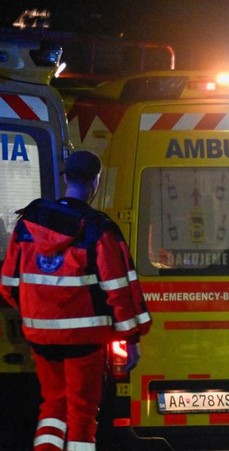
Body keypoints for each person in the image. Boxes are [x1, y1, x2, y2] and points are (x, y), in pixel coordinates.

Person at [0, 151, 151, 451]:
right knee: (82, 414)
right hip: (85, 342)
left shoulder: (28, 224)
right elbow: (119, 291)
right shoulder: (99, 230)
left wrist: (38, 314)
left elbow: (8, 285)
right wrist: (131, 339)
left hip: (41, 338)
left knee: (53, 406)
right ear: (96, 181)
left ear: (65, 178)